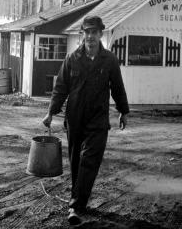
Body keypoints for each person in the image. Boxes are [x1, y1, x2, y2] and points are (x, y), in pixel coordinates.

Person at [42, 15, 129, 225]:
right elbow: (61, 87)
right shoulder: (72, 58)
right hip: (75, 117)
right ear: (83, 34)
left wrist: (123, 111)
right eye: (87, 32)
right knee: (76, 162)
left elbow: (117, 87)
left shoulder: (109, 60)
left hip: (98, 118)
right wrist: (51, 111)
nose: (90, 36)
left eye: (94, 32)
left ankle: (75, 206)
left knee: (90, 159)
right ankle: (78, 199)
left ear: (101, 34)